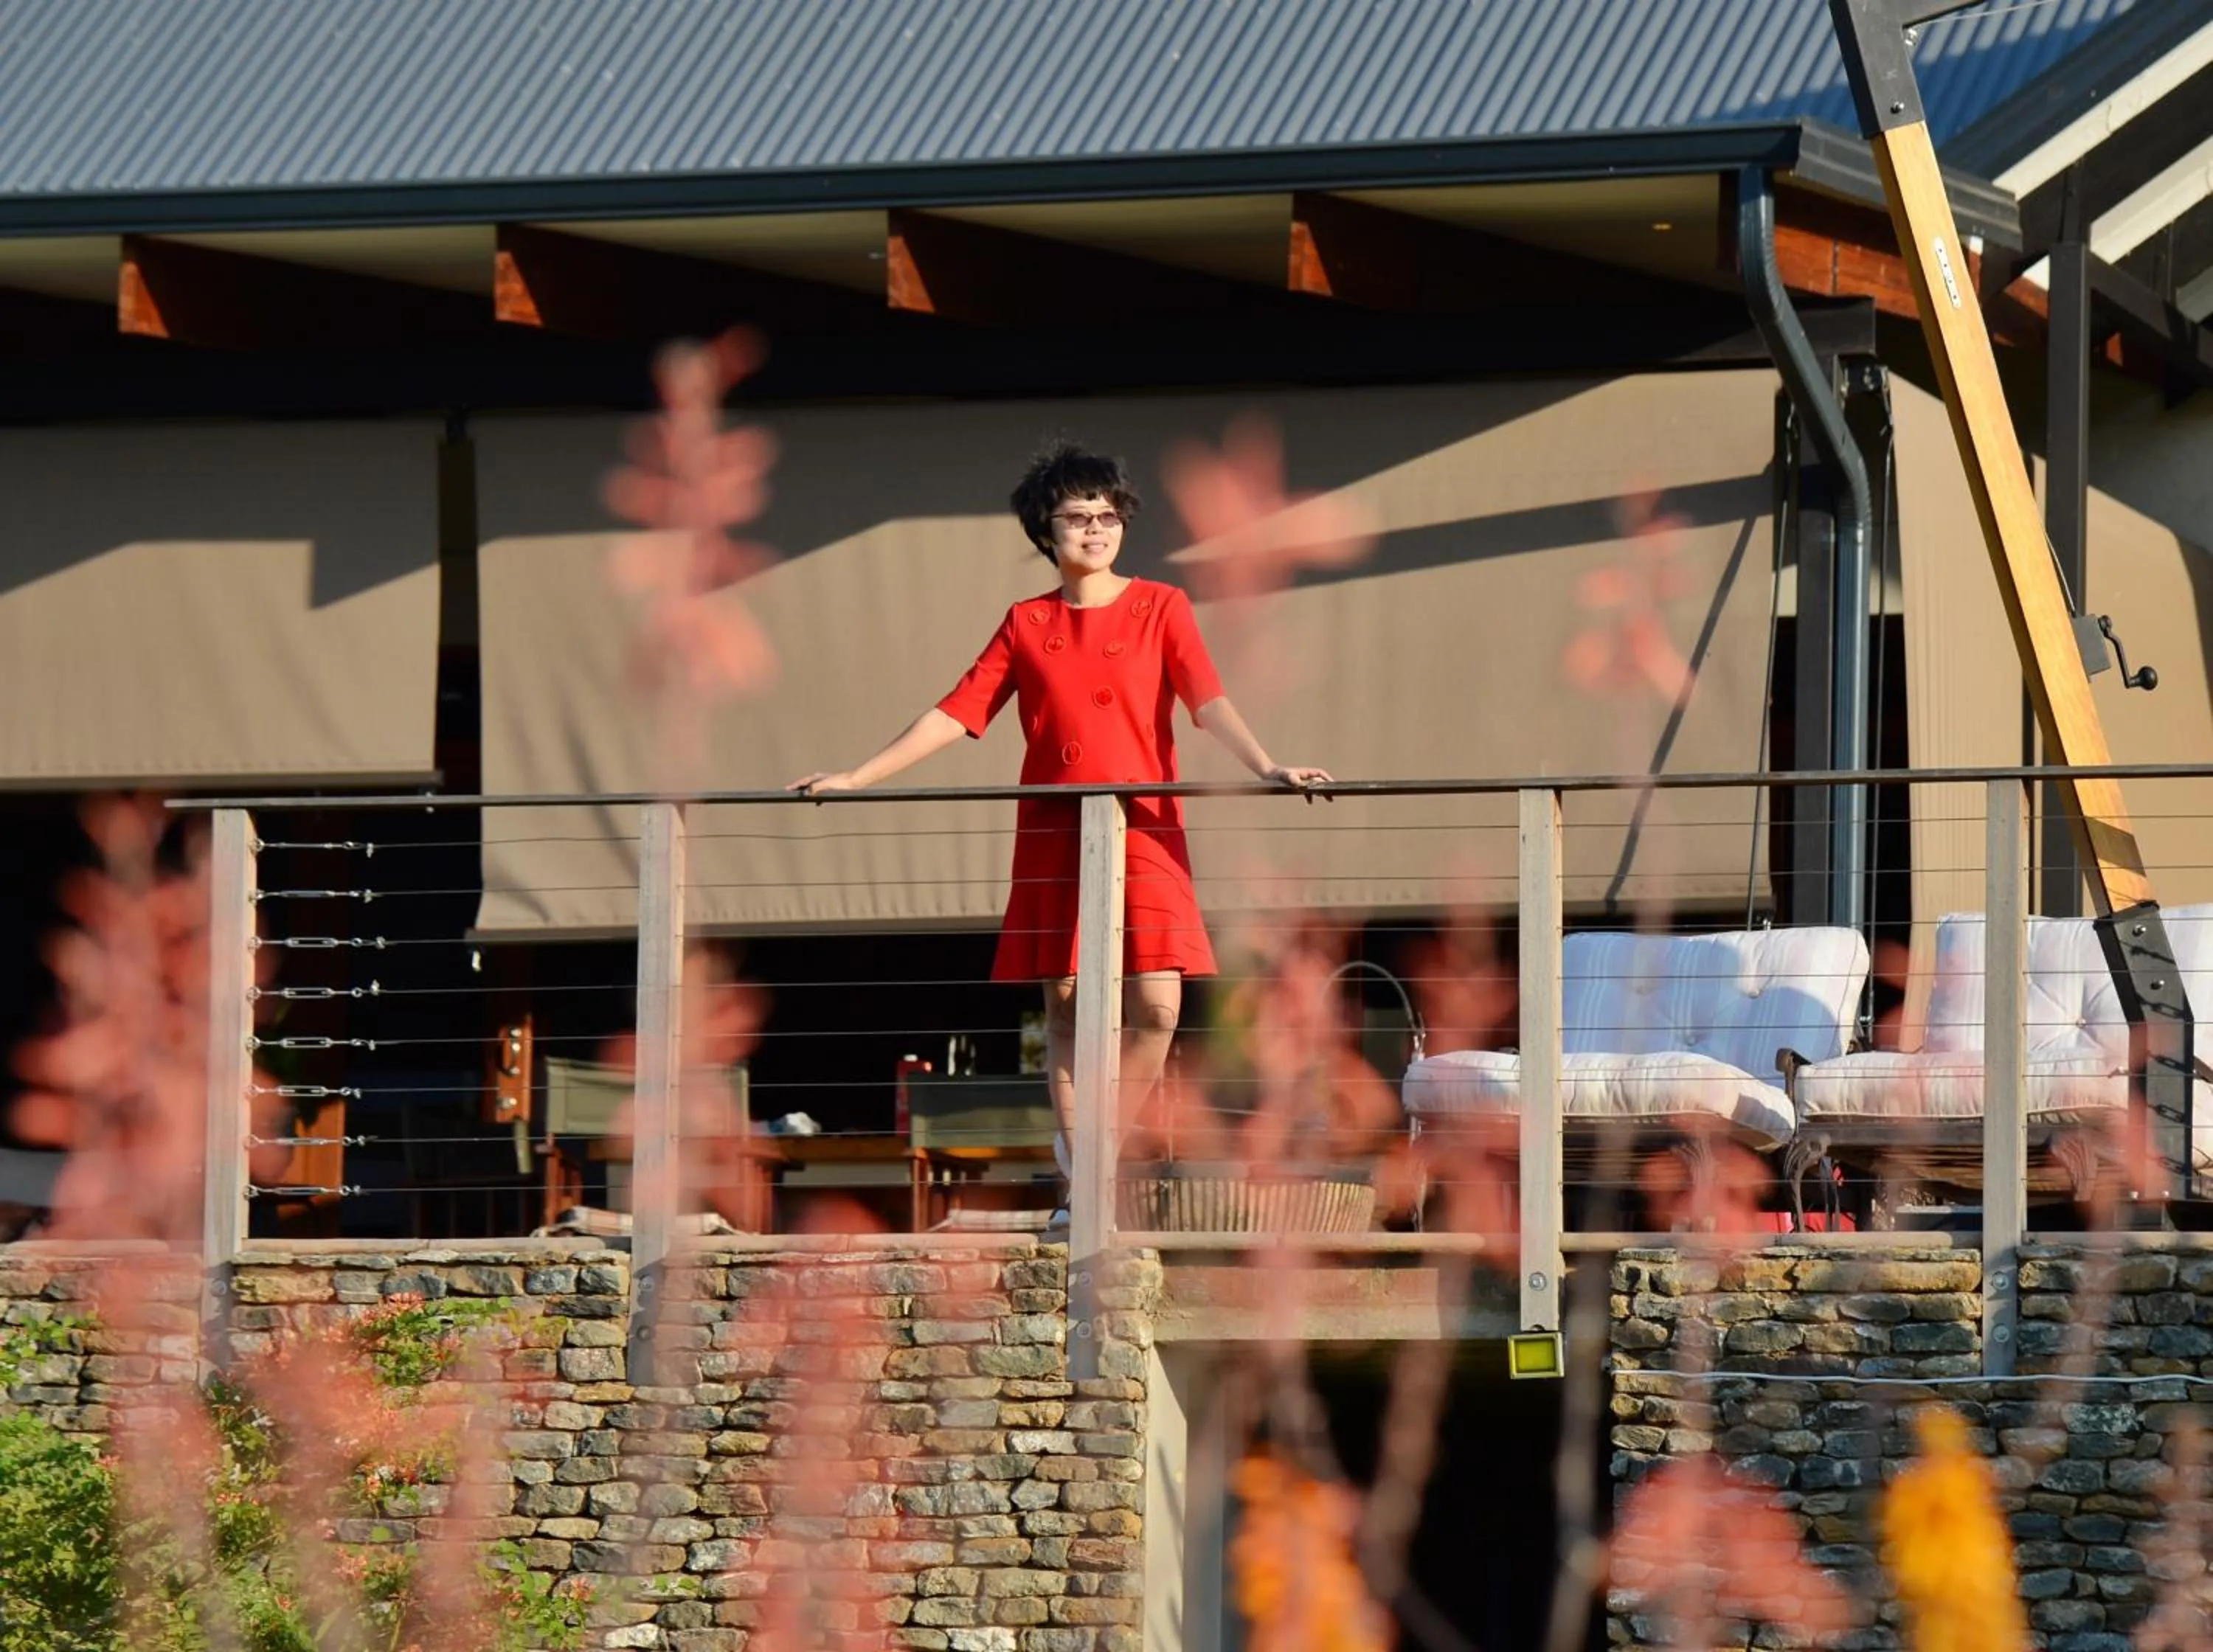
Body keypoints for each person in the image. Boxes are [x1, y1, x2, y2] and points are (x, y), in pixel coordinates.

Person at [790, 441, 1329, 1200]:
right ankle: (1088, 1176)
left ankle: (1100, 1144)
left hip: (1144, 821)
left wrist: (1268, 765)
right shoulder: (1025, 622)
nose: (1095, 530)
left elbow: (1207, 700)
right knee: (1070, 1004)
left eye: (1107, 516)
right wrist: (855, 776)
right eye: (1077, 517)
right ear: (1046, 531)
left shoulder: (1161, 605)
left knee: (1158, 1004)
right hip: (1057, 828)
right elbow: (956, 711)